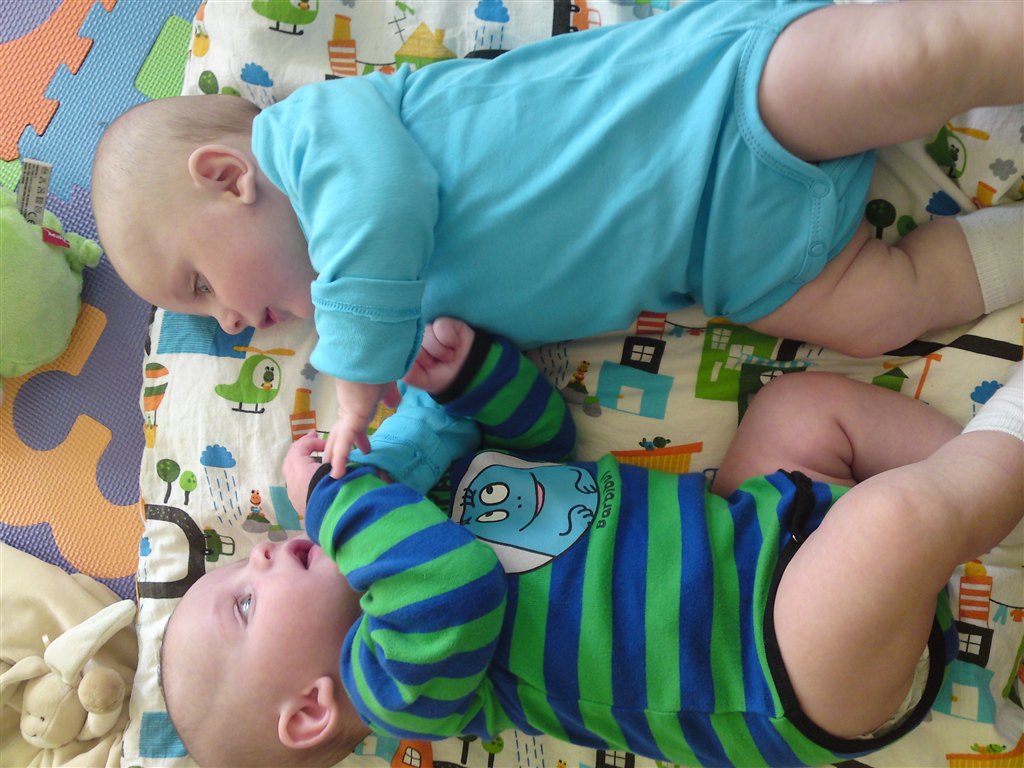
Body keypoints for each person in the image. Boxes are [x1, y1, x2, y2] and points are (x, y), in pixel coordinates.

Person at [91, 0, 1024, 482]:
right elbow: (467, 408)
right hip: (735, 263)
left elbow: (382, 201)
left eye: (198, 285)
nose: (229, 323)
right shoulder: (392, 326)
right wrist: (393, 447)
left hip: (715, 101)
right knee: (881, 314)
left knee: (906, 62)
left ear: (228, 177)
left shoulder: (314, 135)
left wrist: (355, 373)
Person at [159, 316, 1024, 768]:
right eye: (245, 603)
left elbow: (545, 446)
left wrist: (467, 381)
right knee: (891, 525)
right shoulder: (397, 688)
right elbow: (452, 585)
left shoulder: (424, 507)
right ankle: (1002, 451)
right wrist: (335, 500)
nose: (260, 552)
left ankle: (990, 478)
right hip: (783, 667)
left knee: (798, 407)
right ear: (312, 709)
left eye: (242, 562)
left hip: (752, 526)